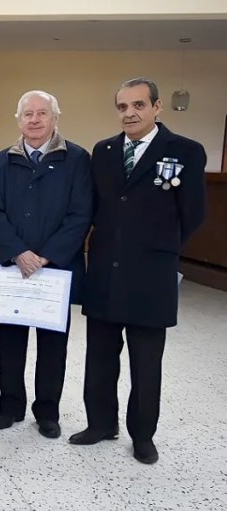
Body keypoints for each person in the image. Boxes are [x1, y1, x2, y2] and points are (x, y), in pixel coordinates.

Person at [72, 78, 207, 464]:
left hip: (151, 275)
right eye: (122, 107)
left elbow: (194, 214)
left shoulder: (185, 151)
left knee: (146, 363)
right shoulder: (105, 150)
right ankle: (100, 423)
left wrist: (159, 248)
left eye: (138, 105)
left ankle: (142, 435)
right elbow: (95, 205)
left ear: (157, 107)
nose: (129, 113)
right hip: (104, 271)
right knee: (99, 356)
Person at [0, 90, 92, 439]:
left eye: (41, 113)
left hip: (54, 270)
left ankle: (47, 412)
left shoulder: (76, 159)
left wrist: (45, 255)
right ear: (18, 120)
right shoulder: (1, 161)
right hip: (12, 269)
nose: (34, 119)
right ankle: (10, 406)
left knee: (52, 346)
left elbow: (80, 214)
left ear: (54, 118)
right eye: (27, 114)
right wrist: (17, 252)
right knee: (10, 343)